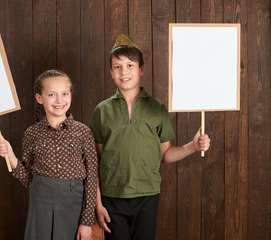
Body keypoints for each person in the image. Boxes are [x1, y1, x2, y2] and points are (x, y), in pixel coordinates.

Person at [89, 34, 211, 240]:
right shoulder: (101, 111)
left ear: (141, 70)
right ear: (111, 72)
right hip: (112, 198)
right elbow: (94, 163)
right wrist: (97, 203)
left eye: (130, 65)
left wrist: (193, 146)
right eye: (117, 67)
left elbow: (166, 154)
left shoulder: (157, 108)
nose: (124, 71)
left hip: (147, 195)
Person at [0, 69, 98, 240]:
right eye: (51, 95)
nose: (59, 100)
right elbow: (28, 178)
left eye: (64, 93)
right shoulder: (32, 134)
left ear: (71, 95)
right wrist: (11, 155)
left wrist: (87, 222)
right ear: (39, 98)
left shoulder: (83, 132)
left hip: (72, 206)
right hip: (40, 204)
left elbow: (92, 178)